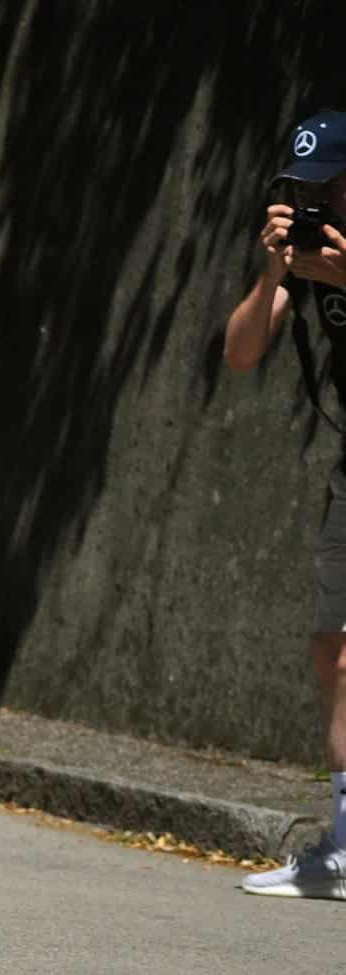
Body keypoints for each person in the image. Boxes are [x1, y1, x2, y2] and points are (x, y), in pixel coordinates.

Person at [225, 109, 346, 900]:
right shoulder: (302, 267)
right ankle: (344, 845)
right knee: (332, 648)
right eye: (299, 193)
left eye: (324, 190)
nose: (313, 208)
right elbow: (239, 352)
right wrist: (274, 274)